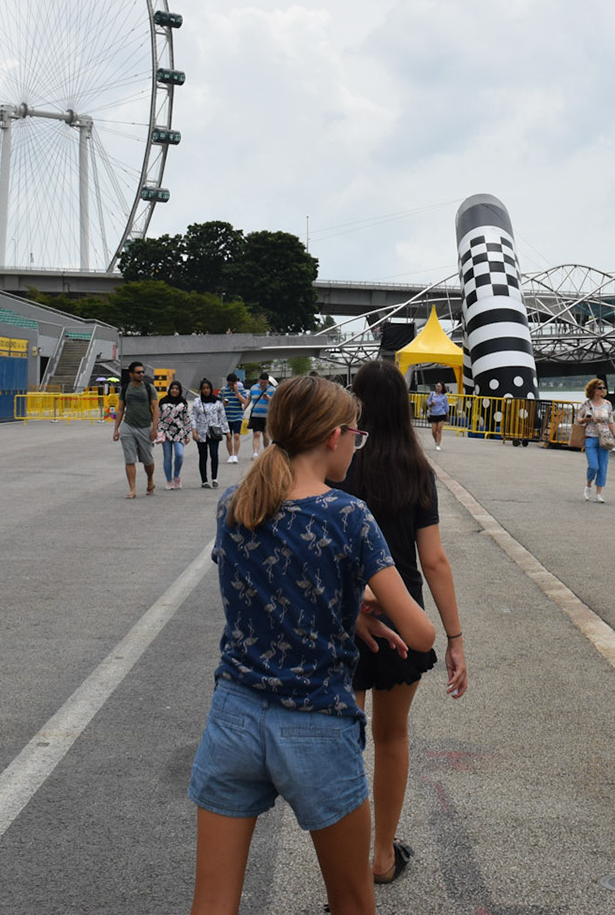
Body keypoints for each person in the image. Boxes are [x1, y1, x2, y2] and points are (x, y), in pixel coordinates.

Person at [187, 376, 437, 915]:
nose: (356, 446)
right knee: (352, 900)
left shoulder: (234, 504)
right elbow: (420, 634)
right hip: (316, 719)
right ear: (332, 436)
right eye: (355, 435)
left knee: (212, 900)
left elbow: (273, 585)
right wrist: (368, 599)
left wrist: (349, 607)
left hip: (234, 715)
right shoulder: (348, 515)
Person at [334, 361, 468, 886]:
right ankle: (382, 854)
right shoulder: (416, 469)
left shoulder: (338, 464)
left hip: (343, 612)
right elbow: (434, 560)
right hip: (401, 612)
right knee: (392, 737)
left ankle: (345, 863)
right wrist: (455, 638)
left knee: (344, 738)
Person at [111, 361, 157, 498]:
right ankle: (132, 489)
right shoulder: (126, 389)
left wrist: (154, 428)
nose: (141, 374)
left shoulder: (149, 388)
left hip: (145, 426)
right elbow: (120, 409)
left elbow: (155, 408)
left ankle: (150, 479)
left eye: (142, 372)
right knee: (129, 459)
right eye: (138, 372)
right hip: (128, 426)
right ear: (131, 374)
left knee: (147, 460)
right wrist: (116, 429)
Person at [576, 378, 615, 504]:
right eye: (600, 388)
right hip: (590, 437)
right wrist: (586, 420)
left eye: (604, 388)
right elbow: (578, 418)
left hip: (604, 438)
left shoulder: (607, 404)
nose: (602, 390)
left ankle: (598, 494)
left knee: (602, 467)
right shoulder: (587, 404)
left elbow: (610, 422)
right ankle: (588, 485)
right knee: (593, 466)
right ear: (593, 390)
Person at [155, 379, 195, 491]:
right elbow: (158, 416)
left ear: (180, 390)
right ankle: (169, 480)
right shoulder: (163, 401)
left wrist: (187, 434)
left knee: (179, 454)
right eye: (172, 388)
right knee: (167, 457)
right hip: (166, 431)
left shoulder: (183, 402)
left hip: (179, 432)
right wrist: (157, 430)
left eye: (177, 389)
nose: (174, 390)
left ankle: (176, 476)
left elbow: (186, 419)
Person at [192, 379, 229, 489]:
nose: (206, 390)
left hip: (214, 432)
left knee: (214, 454)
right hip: (201, 432)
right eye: (203, 388)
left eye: (207, 388)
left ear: (211, 389)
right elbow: (193, 417)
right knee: (203, 456)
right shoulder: (197, 402)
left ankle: (214, 478)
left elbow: (222, 417)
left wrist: (226, 432)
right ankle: (204, 480)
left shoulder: (217, 402)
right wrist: (193, 431)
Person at [247, 374, 276, 453]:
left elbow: (276, 402)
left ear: (268, 382)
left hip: (267, 416)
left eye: (265, 383)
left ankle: (265, 451)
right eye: (261, 382)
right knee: (256, 434)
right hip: (255, 415)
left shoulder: (272, 390)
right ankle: (255, 452)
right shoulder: (253, 388)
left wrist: (268, 398)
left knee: (266, 435)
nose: (263, 384)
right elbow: (249, 399)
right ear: (259, 380)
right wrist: (243, 409)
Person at [222, 374, 246, 464]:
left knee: (236, 435)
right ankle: (230, 455)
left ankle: (235, 455)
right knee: (228, 436)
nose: (232, 385)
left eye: (233, 383)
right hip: (227, 416)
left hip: (237, 416)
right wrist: (223, 403)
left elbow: (244, 401)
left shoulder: (241, 390)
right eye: (230, 384)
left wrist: (237, 393)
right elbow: (218, 402)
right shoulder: (223, 390)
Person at [424, 381, 450, 450]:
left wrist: (447, 414)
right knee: (433, 431)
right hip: (434, 413)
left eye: (439, 386)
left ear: (442, 388)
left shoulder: (444, 397)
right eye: (437, 386)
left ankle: (438, 445)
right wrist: (431, 404)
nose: (438, 388)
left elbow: (446, 406)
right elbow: (428, 402)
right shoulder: (432, 394)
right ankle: (436, 440)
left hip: (441, 413)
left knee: (439, 429)